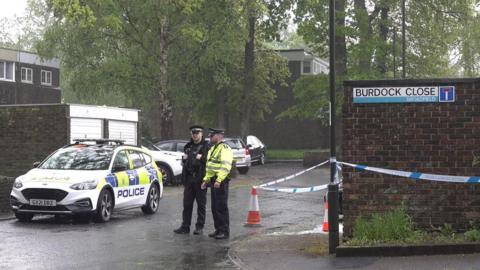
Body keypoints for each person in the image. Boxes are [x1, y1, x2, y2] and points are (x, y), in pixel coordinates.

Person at [174, 125, 209, 235]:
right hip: (189, 179)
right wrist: (183, 160)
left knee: (201, 205)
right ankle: (185, 227)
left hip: (200, 179)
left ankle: (199, 227)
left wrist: (202, 158)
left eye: (197, 133)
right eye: (193, 133)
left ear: (201, 134)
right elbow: (185, 162)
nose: (195, 135)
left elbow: (210, 161)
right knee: (187, 205)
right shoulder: (188, 146)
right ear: (191, 134)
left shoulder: (206, 146)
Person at [201, 128, 233, 240]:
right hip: (214, 180)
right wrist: (206, 180)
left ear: (219, 136)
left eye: (211, 135)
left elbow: (225, 166)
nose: (210, 137)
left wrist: (219, 180)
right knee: (215, 207)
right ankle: (218, 229)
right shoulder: (213, 148)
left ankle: (224, 231)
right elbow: (210, 166)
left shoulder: (225, 148)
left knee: (221, 206)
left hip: (221, 181)